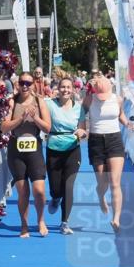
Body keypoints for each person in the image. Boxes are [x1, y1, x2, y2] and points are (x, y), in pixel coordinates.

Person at [80, 75, 134, 233]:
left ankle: (116, 218)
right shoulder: (89, 99)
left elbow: (120, 115)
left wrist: (128, 123)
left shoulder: (117, 99)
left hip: (114, 139)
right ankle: (101, 196)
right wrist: (82, 130)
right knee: (102, 182)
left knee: (115, 182)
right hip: (96, 141)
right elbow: (81, 116)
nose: (102, 98)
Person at [2, 72, 51, 237]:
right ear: (17, 84)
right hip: (16, 149)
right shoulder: (12, 101)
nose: (25, 86)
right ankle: (24, 225)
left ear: (33, 85)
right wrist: (21, 118)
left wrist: (35, 117)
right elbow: (4, 127)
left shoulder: (39, 101)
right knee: (23, 192)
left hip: (34, 148)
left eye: (28, 83)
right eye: (22, 82)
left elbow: (47, 128)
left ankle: (41, 220)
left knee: (39, 190)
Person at [44, 77, 86, 235]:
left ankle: (64, 222)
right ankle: (55, 198)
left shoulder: (79, 108)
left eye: (69, 87)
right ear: (58, 88)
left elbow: (83, 130)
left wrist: (82, 132)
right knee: (56, 188)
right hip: (53, 148)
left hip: (72, 150)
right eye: (63, 87)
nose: (66, 90)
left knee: (68, 186)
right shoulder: (49, 104)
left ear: (73, 90)